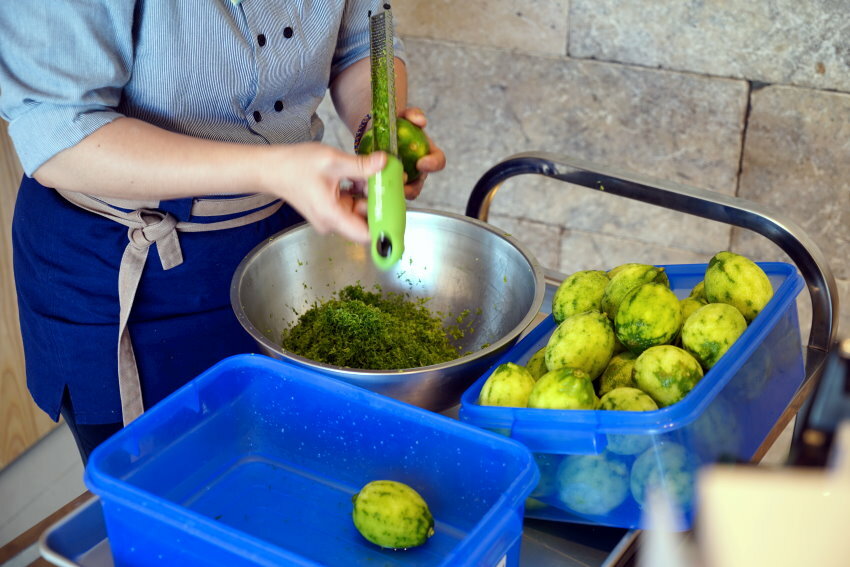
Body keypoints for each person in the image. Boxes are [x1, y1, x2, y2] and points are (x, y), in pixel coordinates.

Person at [0, 1, 445, 463]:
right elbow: (58, 133)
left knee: (294, 461)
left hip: (276, 241)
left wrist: (377, 133)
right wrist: (274, 169)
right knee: (176, 480)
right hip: (126, 266)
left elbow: (361, 42)